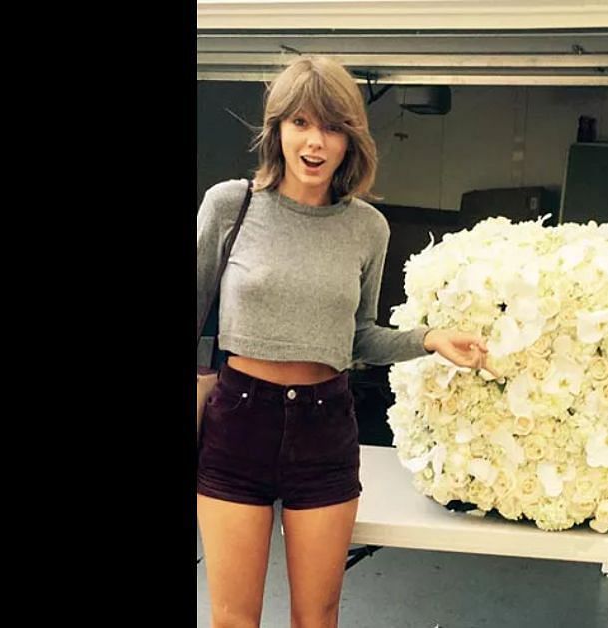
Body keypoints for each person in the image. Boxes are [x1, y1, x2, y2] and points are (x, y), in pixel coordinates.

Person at [196, 55, 489, 628]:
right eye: (301, 123)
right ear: (276, 129)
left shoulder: (366, 228)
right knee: (234, 618)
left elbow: (356, 336)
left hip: (324, 428)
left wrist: (429, 339)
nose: (315, 141)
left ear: (351, 140)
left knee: (318, 616)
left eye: (332, 127)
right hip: (238, 422)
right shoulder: (231, 205)